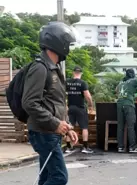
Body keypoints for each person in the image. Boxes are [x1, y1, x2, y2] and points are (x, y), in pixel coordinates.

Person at [22, 22, 78, 185]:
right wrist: (55, 124)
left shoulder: (54, 68)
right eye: (67, 43)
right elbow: (29, 103)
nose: (68, 47)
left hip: (49, 131)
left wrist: (65, 127)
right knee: (59, 177)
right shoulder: (40, 68)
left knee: (47, 177)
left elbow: (55, 103)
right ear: (57, 42)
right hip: (42, 132)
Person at [65, 66, 94, 154]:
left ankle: (68, 147)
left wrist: (65, 105)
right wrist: (90, 105)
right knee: (84, 127)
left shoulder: (67, 82)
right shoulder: (82, 83)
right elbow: (88, 96)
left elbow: (61, 94)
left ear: (73, 73)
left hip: (70, 107)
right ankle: (85, 147)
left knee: (69, 127)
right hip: (80, 108)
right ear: (81, 73)